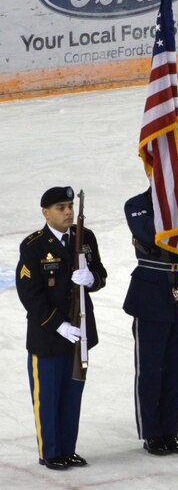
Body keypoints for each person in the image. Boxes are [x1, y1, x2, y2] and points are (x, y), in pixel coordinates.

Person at [16, 186, 107, 470]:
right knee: (49, 397)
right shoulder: (34, 246)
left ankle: (68, 449)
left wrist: (91, 278)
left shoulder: (85, 237)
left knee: (71, 396)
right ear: (45, 213)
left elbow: (100, 274)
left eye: (69, 206)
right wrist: (59, 325)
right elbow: (30, 295)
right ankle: (51, 452)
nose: (68, 212)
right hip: (49, 335)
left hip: (79, 332)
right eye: (60, 207)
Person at [124, 184, 178, 456]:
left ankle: (170, 429)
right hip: (151, 294)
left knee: (177, 368)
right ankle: (152, 433)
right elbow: (153, 235)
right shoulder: (136, 204)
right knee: (150, 369)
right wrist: (170, 206)